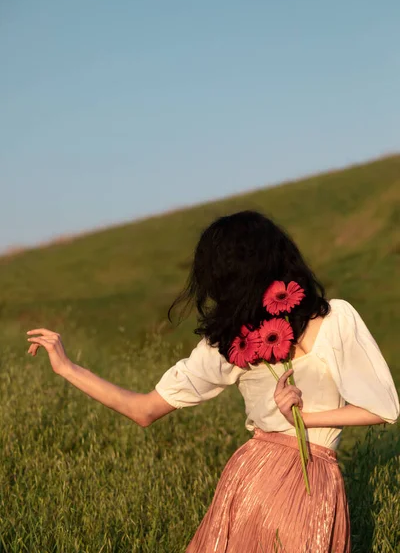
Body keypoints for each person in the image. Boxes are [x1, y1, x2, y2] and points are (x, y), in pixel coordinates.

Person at [26, 210, 399, 552]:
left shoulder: (231, 340)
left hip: (255, 477)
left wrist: (69, 368)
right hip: (310, 484)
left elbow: (142, 410)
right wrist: (308, 421)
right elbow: (383, 409)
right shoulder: (326, 321)